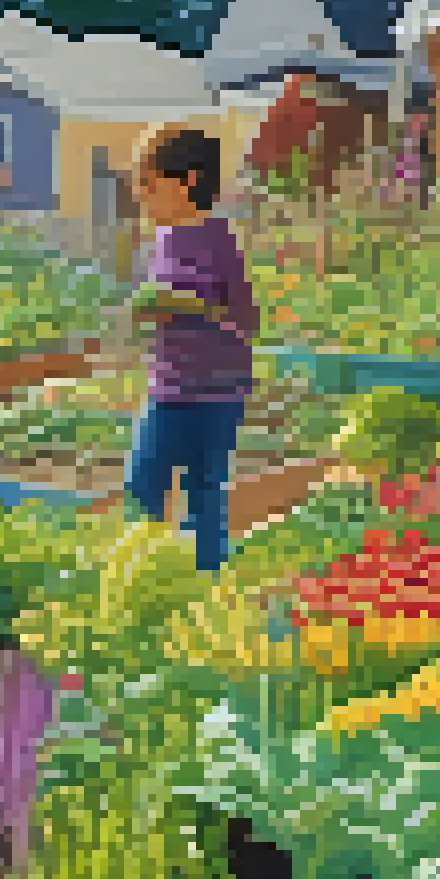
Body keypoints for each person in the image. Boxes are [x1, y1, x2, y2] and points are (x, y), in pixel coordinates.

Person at [126, 125, 258, 573]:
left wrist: (200, 307)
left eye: (148, 182)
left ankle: (206, 579)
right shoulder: (160, 240)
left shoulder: (219, 240)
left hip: (218, 391)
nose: (139, 194)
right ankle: (139, 570)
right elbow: (155, 302)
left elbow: (247, 318)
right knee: (142, 483)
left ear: (188, 181)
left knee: (204, 490)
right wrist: (148, 310)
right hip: (167, 386)